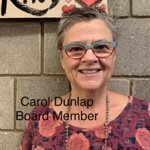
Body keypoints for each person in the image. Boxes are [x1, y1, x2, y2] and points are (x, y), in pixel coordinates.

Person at [20, 7, 150, 150]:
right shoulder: (39, 119)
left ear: (114, 55)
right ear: (62, 59)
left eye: (101, 47)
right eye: (76, 48)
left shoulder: (145, 115)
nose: (89, 58)